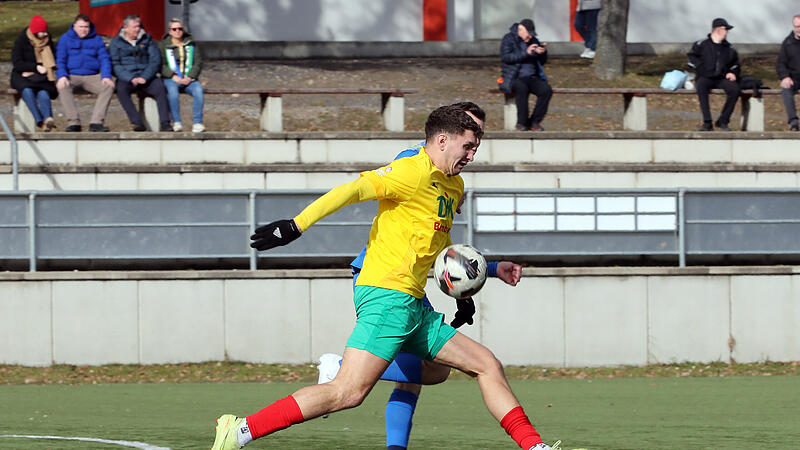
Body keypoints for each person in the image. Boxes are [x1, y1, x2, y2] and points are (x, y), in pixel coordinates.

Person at [212, 104, 560, 450]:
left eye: (475, 148)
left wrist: (467, 292)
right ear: (442, 140)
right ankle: (240, 430)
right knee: (347, 392)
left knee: (478, 366)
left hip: (413, 303)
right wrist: (296, 225)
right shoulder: (411, 170)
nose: (472, 154)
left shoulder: (453, 187)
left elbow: (441, 247)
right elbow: (352, 190)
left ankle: (535, 447)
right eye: (468, 146)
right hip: (387, 294)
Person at [315, 102, 525, 450]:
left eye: (479, 136)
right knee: (405, 375)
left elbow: (439, 247)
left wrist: (485, 272)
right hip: (385, 274)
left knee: (426, 375)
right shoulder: (414, 161)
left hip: (410, 279)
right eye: (470, 132)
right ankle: (339, 370)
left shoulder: (453, 181)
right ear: (447, 133)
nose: (474, 144)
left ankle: (392, 442)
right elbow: (382, 205)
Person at [109, 15, 171, 132]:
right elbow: (115, 64)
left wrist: (145, 77)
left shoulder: (147, 39)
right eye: (134, 27)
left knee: (160, 87)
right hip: (127, 77)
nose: (137, 29)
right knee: (121, 90)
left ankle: (165, 122)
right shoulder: (116, 42)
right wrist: (130, 77)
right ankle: (136, 122)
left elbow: (155, 60)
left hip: (146, 76)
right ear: (126, 28)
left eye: (138, 26)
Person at [55, 13, 114, 132]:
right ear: (74, 26)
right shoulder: (65, 39)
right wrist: (62, 76)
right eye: (81, 27)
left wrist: (106, 76)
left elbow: (104, 59)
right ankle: (73, 122)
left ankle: (96, 122)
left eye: (86, 27)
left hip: (92, 75)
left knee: (108, 86)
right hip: (72, 75)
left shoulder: (96, 39)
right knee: (62, 86)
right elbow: (60, 60)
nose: (84, 30)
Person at [688, 18, 741, 131]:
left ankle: (723, 121)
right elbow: (691, 59)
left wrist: (732, 73)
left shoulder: (729, 49)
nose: (727, 32)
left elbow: (735, 65)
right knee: (701, 86)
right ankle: (707, 122)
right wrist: (701, 69)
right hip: (705, 77)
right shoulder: (701, 44)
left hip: (721, 78)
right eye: (726, 29)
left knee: (735, 90)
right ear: (718, 30)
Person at [501, 19, 552, 132]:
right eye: (528, 34)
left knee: (546, 90)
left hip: (532, 77)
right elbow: (506, 57)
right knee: (521, 87)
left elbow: (542, 62)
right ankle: (522, 123)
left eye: (531, 35)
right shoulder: (509, 39)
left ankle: (534, 121)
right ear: (520, 30)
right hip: (514, 77)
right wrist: (526, 53)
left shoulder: (533, 40)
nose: (529, 37)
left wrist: (542, 53)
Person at [10, 15, 58, 132]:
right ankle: (39, 121)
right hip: (22, 76)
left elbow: (54, 58)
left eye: (46, 31)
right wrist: (35, 67)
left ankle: (48, 119)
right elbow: (17, 63)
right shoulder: (22, 41)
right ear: (35, 32)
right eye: (42, 32)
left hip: (42, 76)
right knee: (27, 91)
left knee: (43, 93)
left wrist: (47, 69)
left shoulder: (48, 41)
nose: (45, 34)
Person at [158, 17, 205, 132]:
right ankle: (177, 122)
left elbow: (198, 62)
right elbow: (161, 64)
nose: (177, 31)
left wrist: (190, 77)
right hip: (172, 78)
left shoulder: (191, 44)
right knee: (173, 93)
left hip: (189, 79)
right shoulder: (163, 46)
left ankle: (197, 123)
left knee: (199, 91)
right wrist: (173, 76)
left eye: (180, 28)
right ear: (169, 31)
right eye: (174, 29)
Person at [777, 14, 800, 131]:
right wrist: (785, 77)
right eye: (796, 26)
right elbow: (781, 63)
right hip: (793, 78)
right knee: (786, 89)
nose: (798, 29)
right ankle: (793, 122)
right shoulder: (787, 43)